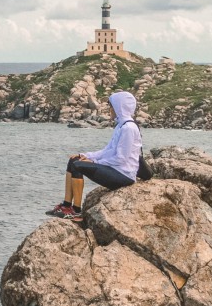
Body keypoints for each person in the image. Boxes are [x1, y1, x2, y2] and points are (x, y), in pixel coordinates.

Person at [45, 91, 142, 222]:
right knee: (74, 160)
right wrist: (85, 155)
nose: (109, 109)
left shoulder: (128, 128)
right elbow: (108, 150)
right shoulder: (121, 126)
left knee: (77, 166)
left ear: (119, 107)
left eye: (111, 106)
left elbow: (121, 158)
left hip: (124, 175)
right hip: (118, 170)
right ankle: (66, 206)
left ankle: (76, 211)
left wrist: (94, 161)